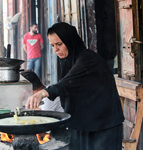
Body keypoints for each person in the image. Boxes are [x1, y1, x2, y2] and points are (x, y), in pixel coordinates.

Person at [25, 22, 124, 150]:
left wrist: (43, 93)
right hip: (83, 122)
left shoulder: (88, 60)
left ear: (70, 41)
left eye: (59, 44)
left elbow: (67, 83)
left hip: (103, 125)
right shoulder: (68, 61)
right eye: (52, 45)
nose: (56, 49)